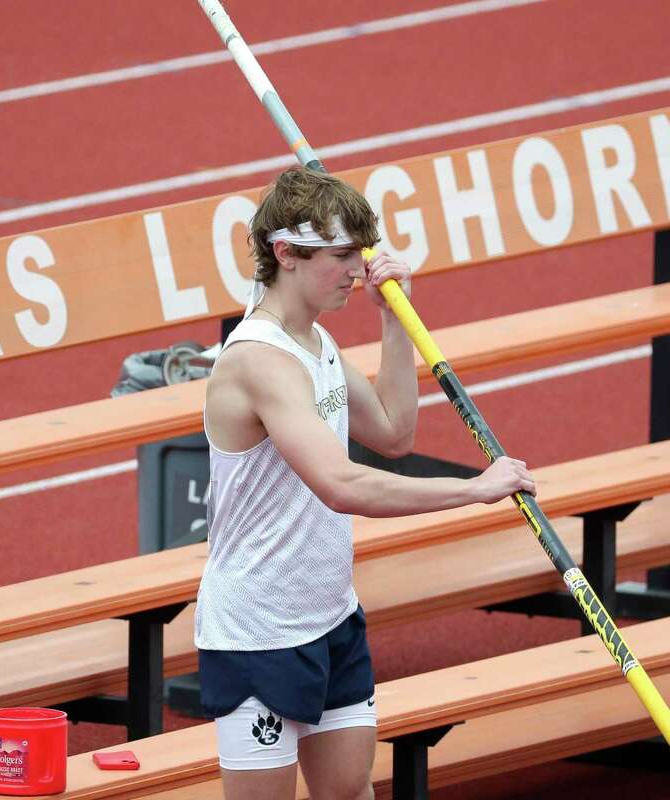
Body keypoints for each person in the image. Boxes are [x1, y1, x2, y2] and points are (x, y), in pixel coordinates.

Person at [195, 166, 536, 800]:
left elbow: (394, 433)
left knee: (351, 794)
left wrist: (391, 321)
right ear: (286, 254)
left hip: (331, 617)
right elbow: (344, 485)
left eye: (361, 253)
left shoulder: (316, 342)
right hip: (259, 633)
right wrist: (472, 490)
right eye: (342, 255)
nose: (358, 269)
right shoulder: (260, 361)